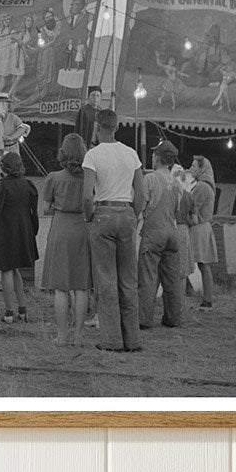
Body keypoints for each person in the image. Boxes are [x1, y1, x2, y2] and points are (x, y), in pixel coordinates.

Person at [82, 108, 145, 353]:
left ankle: (111, 340)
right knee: (128, 280)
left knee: (105, 280)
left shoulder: (93, 155)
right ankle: (133, 339)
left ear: (97, 127)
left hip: (103, 214)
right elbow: (139, 192)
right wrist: (134, 214)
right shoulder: (131, 154)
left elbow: (87, 196)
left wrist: (90, 217)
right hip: (127, 212)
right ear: (117, 127)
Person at [40, 133, 91, 346]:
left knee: (60, 287)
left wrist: (58, 205)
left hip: (60, 229)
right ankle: (78, 336)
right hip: (81, 229)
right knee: (81, 286)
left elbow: (45, 208)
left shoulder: (53, 178)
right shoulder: (89, 178)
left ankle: (62, 335)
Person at [0, 152, 39, 324]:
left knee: (6, 270)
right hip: (22, 232)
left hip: (5, 233)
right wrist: (32, 232)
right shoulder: (28, 185)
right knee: (15, 271)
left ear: (3, 168)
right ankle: (23, 311)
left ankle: (8, 314)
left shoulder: (0, 186)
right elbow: (33, 213)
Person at [137, 140, 185, 330]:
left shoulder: (150, 179)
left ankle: (144, 319)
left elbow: (141, 206)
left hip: (153, 233)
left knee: (148, 276)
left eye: (153, 154)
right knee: (172, 278)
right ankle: (173, 318)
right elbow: (177, 209)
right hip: (172, 233)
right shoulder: (177, 183)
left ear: (157, 157)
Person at [188, 155, 218, 310]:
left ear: (201, 168)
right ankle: (207, 299)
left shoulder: (201, 186)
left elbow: (192, 208)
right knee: (202, 264)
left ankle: (206, 300)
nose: (191, 169)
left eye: (194, 166)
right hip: (203, 227)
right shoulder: (206, 185)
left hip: (198, 228)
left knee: (197, 264)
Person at [171, 163, 196, 291]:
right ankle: (180, 300)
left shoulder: (169, 192)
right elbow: (194, 220)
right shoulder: (188, 195)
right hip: (183, 230)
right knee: (183, 269)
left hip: (170, 228)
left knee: (169, 267)